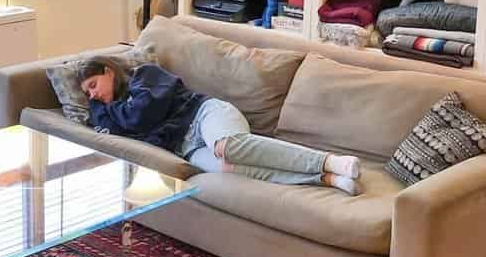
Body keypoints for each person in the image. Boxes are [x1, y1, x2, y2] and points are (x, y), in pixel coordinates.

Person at [77, 57, 361, 194]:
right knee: (227, 168)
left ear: (109, 71)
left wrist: (109, 107)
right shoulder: (112, 110)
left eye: (94, 85)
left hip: (205, 115)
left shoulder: (145, 75)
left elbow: (142, 115)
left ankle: (328, 161)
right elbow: (108, 131)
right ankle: (327, 179)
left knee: (227, 148)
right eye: (88, 94)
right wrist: (98, 105)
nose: (95, 94)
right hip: (186, 148)